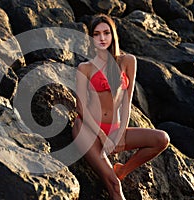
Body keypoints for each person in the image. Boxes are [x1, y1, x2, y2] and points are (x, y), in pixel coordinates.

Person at [72, 14, 170, 200]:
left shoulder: (128, 61)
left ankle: (122, 170)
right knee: (115, 186)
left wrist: (120, 134)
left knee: (161, 139)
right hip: (88, 129)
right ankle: (115, 176)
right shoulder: (84, 68)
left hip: (115, 129)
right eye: (96, 34)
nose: (102, 38)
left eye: (106, 33)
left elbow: (128, 101)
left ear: (113, 35)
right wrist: (103, 137)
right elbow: (81, 108)